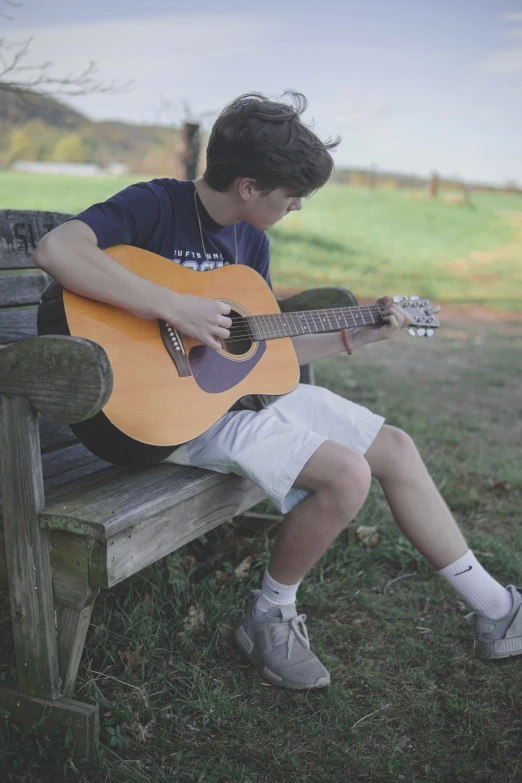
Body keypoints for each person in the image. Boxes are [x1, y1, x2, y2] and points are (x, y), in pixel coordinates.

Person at [34, 91, 522, 690]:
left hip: (231, 399)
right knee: (348, 476)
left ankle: (499, 609)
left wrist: (357, 336)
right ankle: (271, 615)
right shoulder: (155, 204)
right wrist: (176, 307)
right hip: (165, 414)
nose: (297, 207)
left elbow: (262, 353)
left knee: (393, 447)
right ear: (247, 185)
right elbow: (57, 249)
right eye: (292, 196)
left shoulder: (251, 245)